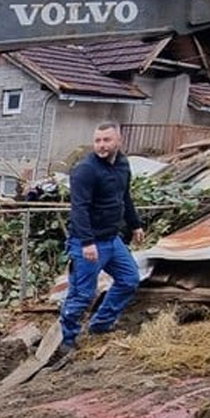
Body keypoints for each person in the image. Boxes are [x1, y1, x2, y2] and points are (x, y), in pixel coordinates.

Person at [57, 123, 145, 364]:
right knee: (82, 294)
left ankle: (101, 324)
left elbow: (124, 197)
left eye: (107, 140)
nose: (102, 145)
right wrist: (86, 242)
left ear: (119, 140)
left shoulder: (123, 165)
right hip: (87, 242)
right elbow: (79, 209)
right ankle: (67, 339)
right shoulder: (85, 170)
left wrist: (135, 224)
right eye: (98, 141)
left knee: (129, 280)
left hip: (111, 239)